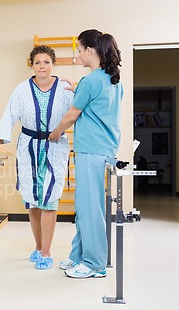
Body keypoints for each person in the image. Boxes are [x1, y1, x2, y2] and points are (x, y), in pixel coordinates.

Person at [0, 45, 74, 270]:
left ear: (53, 63)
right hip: (28, 148)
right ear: (31, 65)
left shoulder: (65, 88)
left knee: (50, 200)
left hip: (55, 146)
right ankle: (37, 246)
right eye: (37, 62)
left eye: (46, 62)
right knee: (33, 203)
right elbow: (7, 119)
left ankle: (46, 251)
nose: (42, 66)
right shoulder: (21, 89)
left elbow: (78, 113)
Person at [48, 29, 123, 279]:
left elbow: (71, 115)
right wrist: (77, 87)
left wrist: (56, 133)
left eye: (79, 50)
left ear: (90, 51)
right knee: (85, 206)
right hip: (103, 148)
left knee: (90, 208)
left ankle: (95, 264)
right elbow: (97, 101)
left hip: (91, 149)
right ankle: (79, 255)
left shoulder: (91, 81)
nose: (78, 55)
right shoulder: (111, 79)